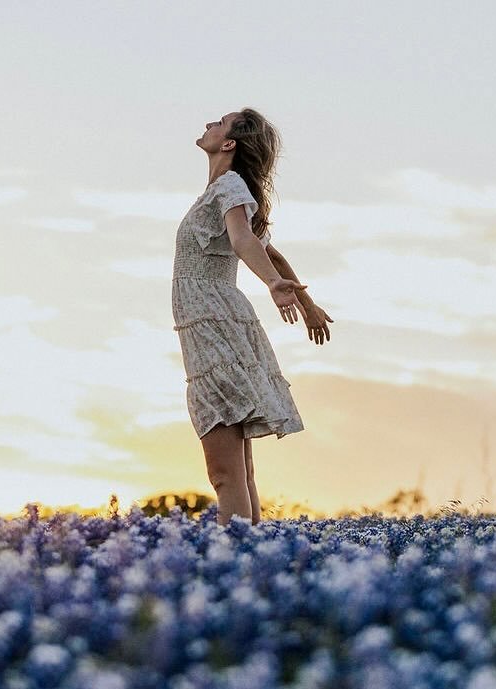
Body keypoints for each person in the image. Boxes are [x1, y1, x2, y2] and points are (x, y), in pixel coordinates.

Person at [171, 108, 334, 527]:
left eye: (218, 122)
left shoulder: (228, 185)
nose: (208, 123)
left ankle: (235, 563)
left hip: (213, 324)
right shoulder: (226, 191)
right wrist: (306, 302)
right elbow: (269, 249)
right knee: (237, 469)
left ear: (229, 143)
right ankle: (250, 555)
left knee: (224, 472)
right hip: (215, 321)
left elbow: (245, 241)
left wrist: (273, 286)